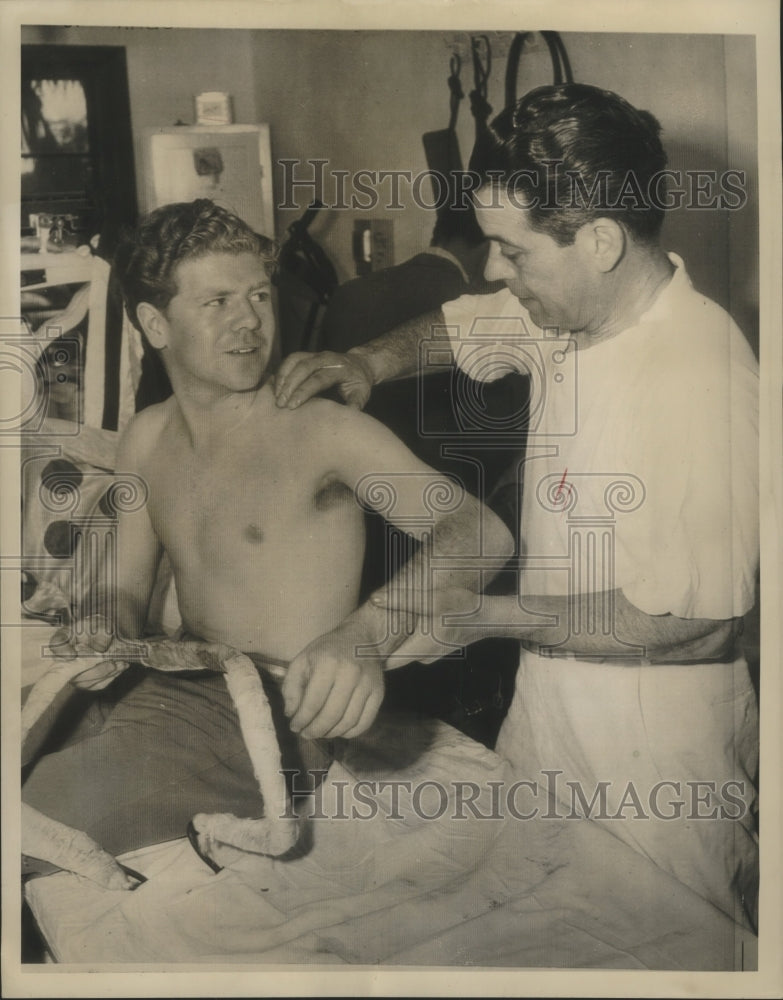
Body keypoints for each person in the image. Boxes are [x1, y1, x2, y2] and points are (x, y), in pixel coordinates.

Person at [273, 83, 760, 929]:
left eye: (512, 250)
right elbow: (468, 324)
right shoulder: (570, 304)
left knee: (650, 950)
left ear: (601, 240)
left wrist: (478, 617)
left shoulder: (699, 379)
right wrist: (367, 362)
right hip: (549, 709)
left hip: (653, 756)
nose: (495, 268)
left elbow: (698, 624)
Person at [22, 199, 513, 872]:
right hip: (176, 683)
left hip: (274, 722)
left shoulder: (321, 432)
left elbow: (479, 533)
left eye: (258, 294)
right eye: (217, 301)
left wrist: (364, 635)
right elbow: (127, 585)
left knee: (28, 820)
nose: (249, 320)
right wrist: (104, 623)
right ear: (155, 324)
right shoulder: (146, 438)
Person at [319, 205, 526, 745]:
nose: (503, 267)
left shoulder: (348, 297)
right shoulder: (488, 302)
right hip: (463, 550)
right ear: (481, 245)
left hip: (363, 555)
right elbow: (506, 454)